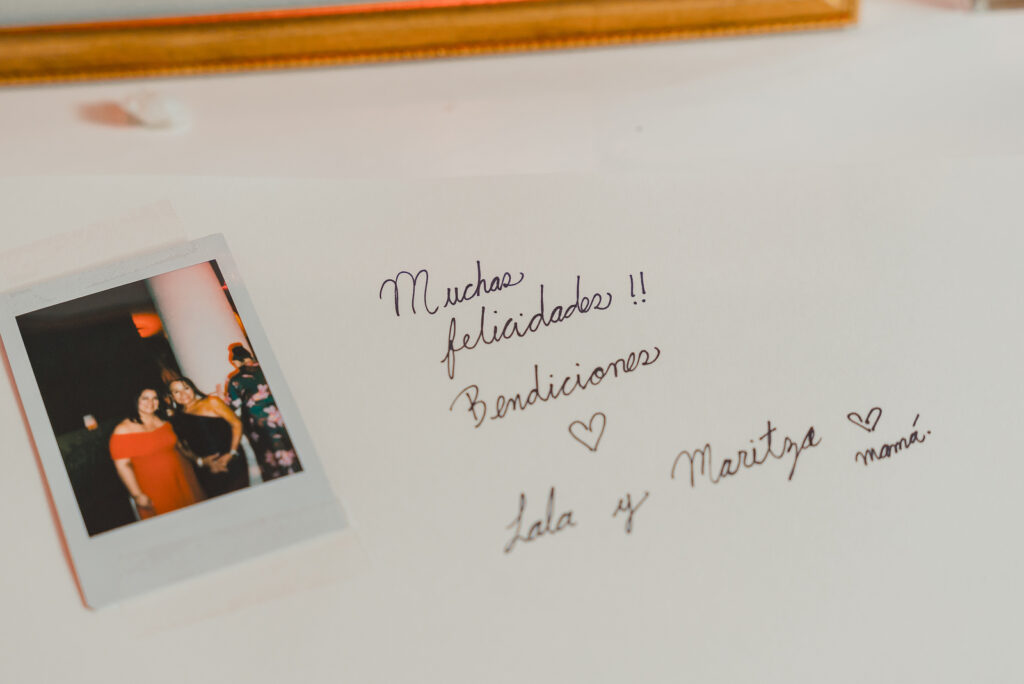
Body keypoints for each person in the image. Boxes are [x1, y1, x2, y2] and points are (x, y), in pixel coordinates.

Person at [109, 387, 204, 520]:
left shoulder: (164, 421)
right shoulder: (122, 430)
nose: (151, 402)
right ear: (135, 401)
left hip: (182, 477)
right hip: (154, 487)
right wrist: (137, 494)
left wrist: (200, 461)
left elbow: (179, 447)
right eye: (145, 398)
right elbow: (123, 466)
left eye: (155, 398)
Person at [226, 345, 302, 481]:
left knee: (274, 453)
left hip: (261, 422)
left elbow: (234, 404)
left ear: (236, 361)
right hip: (285, 414)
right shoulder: (271, 367)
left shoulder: (235, 380)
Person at [167, 377, 249, 498]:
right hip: (206, 469)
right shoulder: (176, 418)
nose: (183, 394)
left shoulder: (211, 402)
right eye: (176, 392)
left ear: (192, 388)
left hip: (230, 460)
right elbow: (181, 446)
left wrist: (231, 453)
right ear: (172, 396)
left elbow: (237, 424)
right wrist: (200, 461)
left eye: (186, 388)